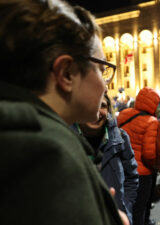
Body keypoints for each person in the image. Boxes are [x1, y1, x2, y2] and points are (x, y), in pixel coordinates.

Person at [0, 0, 126, 224]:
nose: (106, 85)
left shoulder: (17, 134)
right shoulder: (52, 156)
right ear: (66, 73)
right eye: (101, 69)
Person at [75, 93, 140, 225]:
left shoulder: (121, 138)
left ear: (109, 110)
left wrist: (125, 206)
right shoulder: (66, 139)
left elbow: (131, 177)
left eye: (102, 106)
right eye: (89, 105)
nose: (96, 111)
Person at [118, 87, 160, 225]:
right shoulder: (152, 121)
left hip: (122, 168)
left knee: (124, 207)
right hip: (141, 173)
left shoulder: (124, 114)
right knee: (139, 210)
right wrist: (155, 166)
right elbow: (149, 154)